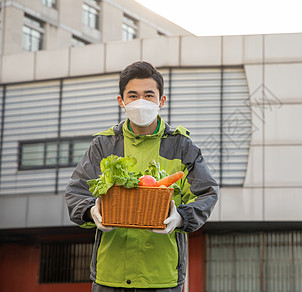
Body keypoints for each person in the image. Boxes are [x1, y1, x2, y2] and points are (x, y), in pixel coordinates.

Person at [65, 61, 219, 291]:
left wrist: (180, 218)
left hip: (162, 277)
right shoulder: (103, 145)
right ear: (121, 101)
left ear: (161, 101)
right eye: (133, 95)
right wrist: (91, 212)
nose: (141, 102)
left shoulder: (182, 146)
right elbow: (76, 191)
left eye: (149, 95)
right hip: (110, 275)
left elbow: (206, 193)